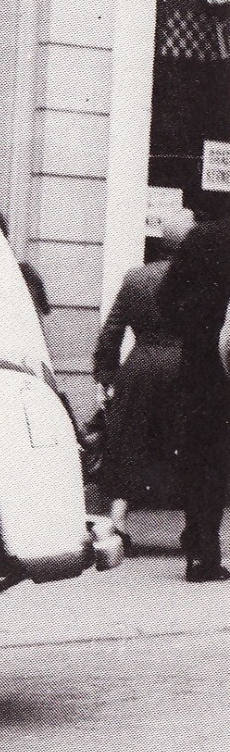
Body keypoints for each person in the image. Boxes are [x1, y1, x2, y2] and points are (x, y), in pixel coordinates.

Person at [91, 212, 194, 539]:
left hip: (141, 368)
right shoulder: (203, 280)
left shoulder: (135, 279)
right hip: (188, 368)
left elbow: (111, 332)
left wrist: (106, 374)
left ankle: (117, 522)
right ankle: (193, 529)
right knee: (190, 444)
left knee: (129, 444)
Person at [156, 207, 230, 582]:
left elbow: (166, 301)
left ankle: (201, 549)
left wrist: (199, 329)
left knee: (205, 457)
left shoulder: (201, 238)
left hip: (206, 369)